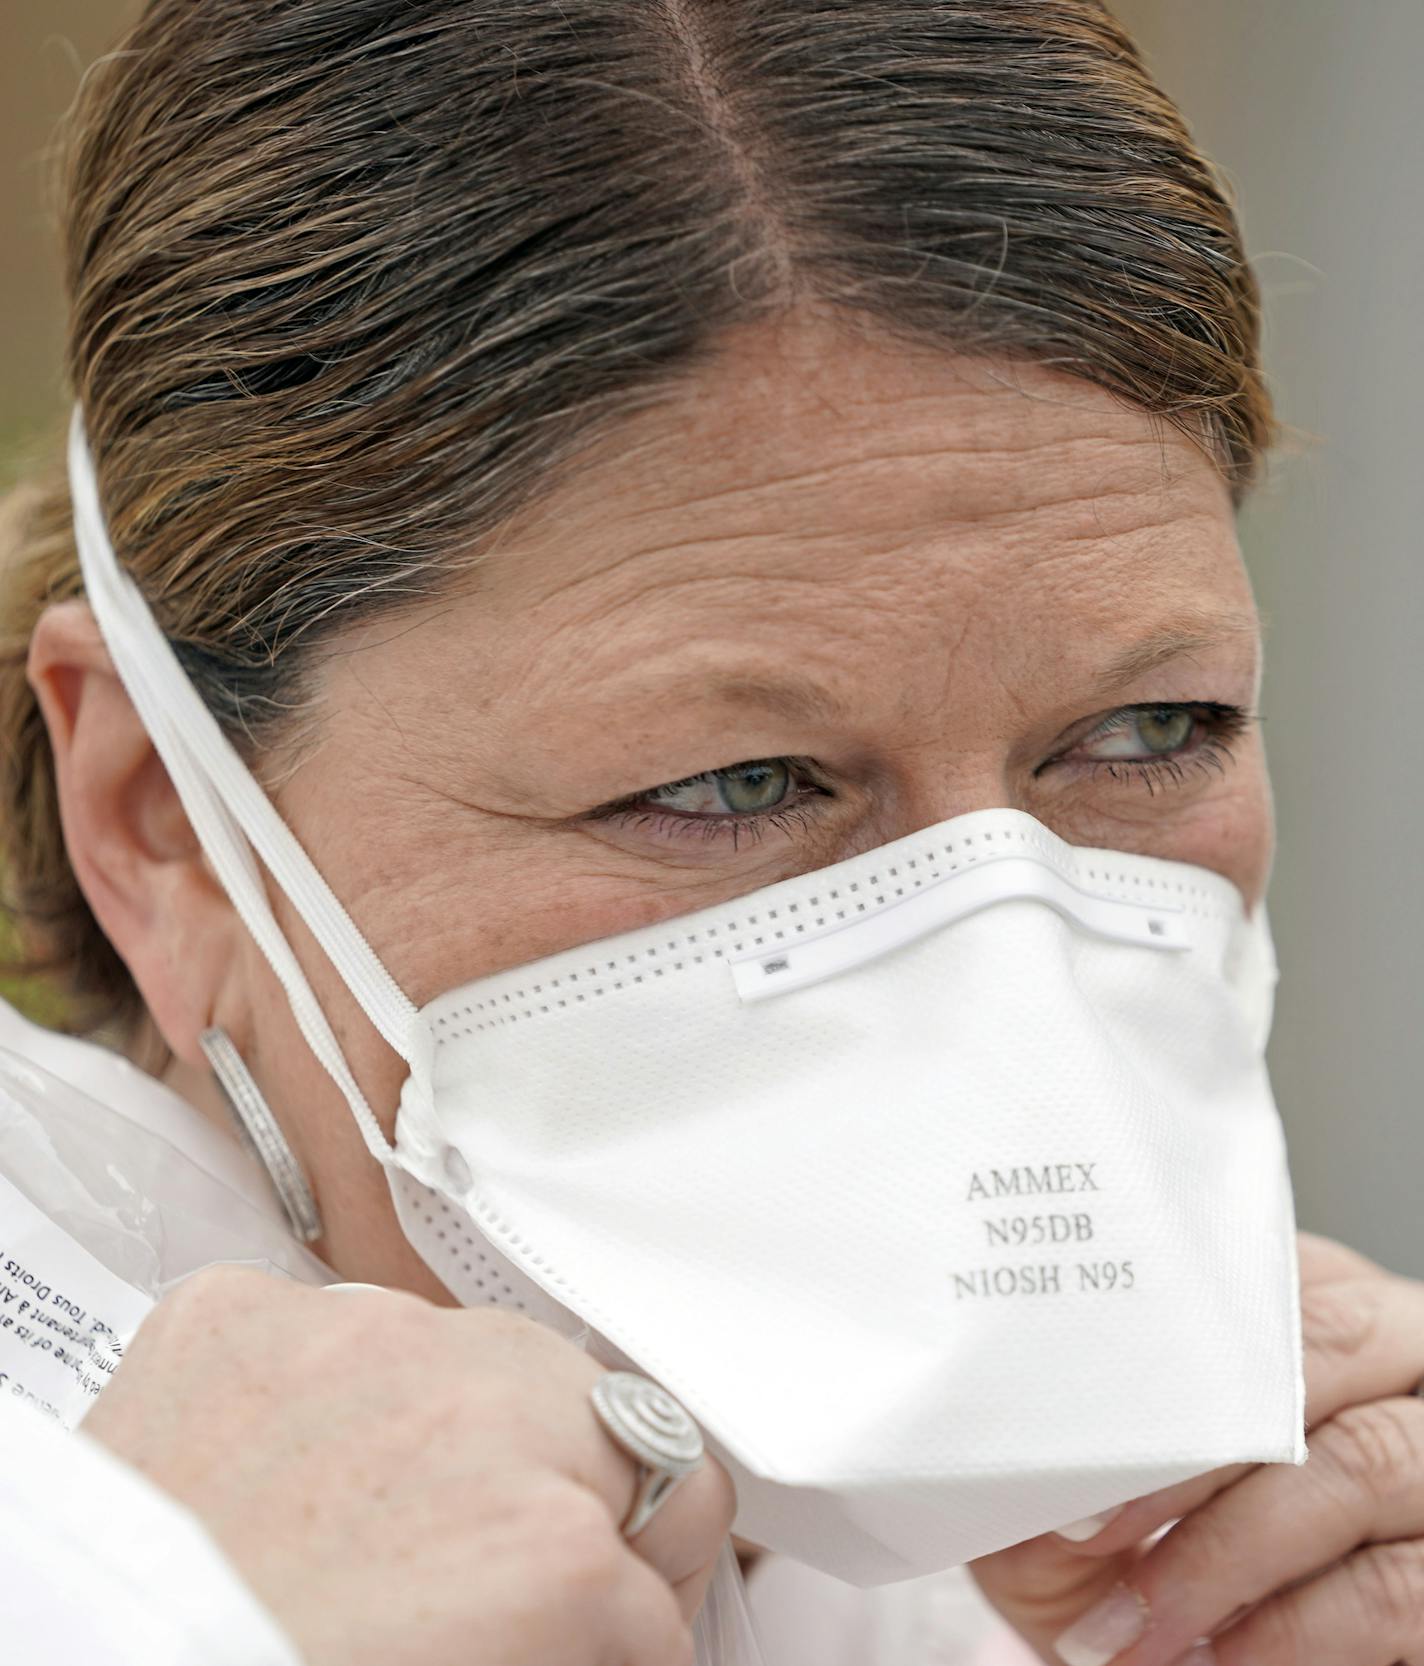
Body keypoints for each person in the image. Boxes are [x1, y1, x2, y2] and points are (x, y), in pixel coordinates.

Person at [1, 2, 1422, 1662]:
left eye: (1144, 733)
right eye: (736, 781)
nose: (1002, 972)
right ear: (161, 820)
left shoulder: (1181, 1557)